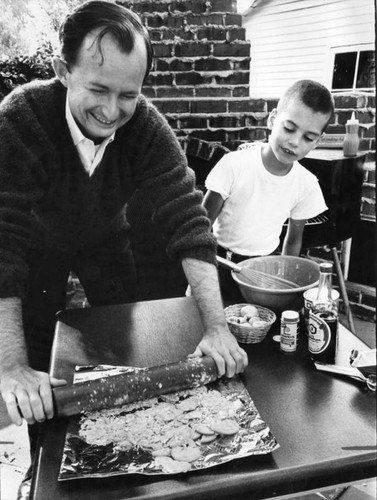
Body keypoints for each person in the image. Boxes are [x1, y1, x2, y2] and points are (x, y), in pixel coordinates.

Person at [0, 0, 248, 435]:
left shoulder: (147, 127)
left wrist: (217, 327)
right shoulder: (21, 118)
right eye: (98, 90)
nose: (112, 112)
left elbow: (189, 220)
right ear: (63, 70)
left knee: (126, 345)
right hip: (35, 250)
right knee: (34, 366)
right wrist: (12, 366)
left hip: (106, 240)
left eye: (128, 95)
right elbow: (2, 243)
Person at [203, 80, 334, 302]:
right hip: (217, 263)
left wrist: (281, 286)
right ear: (273, 119)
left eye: (308, 138)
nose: (294, 142)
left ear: (317, 142)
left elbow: (293, 242)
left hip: (264, 272)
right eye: (289, 128)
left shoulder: (307, 184)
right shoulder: (234, 165)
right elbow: (201, 224)